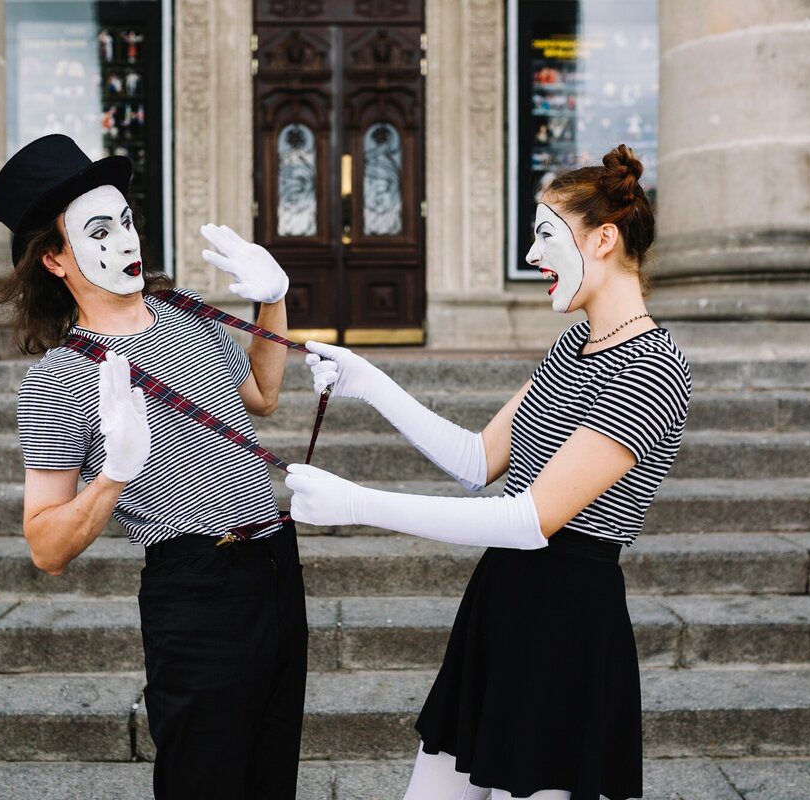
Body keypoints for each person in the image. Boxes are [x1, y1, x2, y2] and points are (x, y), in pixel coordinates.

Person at [286, 144, 690, 800]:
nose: (531, 256)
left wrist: (360, 503)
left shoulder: (653, 369)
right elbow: (480, 460)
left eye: (544, 236)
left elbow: (533, 518)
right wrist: (371, 380)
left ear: (604, 239)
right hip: (501, 600)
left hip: (565, 624)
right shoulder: (574, 344)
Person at [0, 134, 307, 800]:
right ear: (54, 258)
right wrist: (114, 475)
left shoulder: (183, 309)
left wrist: (273, 299)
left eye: (126, 221)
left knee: (271, 777)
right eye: (99, 231)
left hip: (274, 567)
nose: (126, 242)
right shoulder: (60, 378)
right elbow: (45, 546)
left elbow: (262, 396)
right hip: (196, 587)